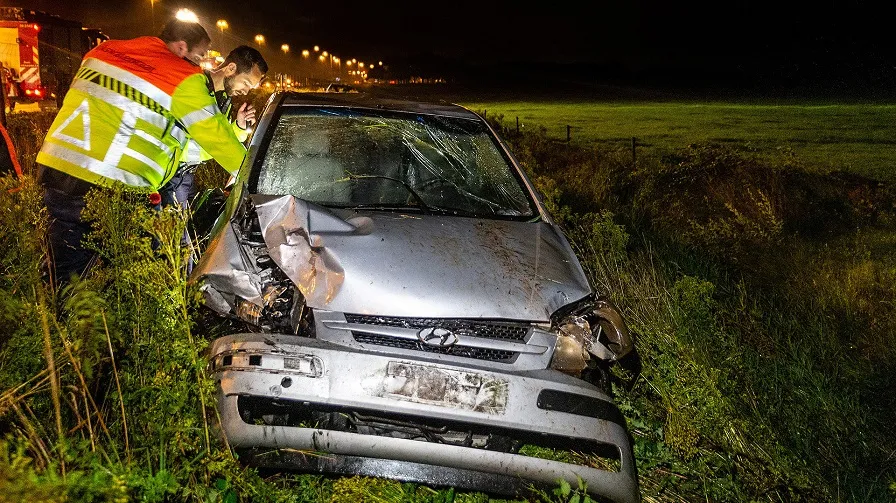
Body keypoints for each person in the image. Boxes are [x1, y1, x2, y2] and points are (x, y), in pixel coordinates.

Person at [36, 17, 248, 287]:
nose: (203, 63)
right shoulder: (182, 76)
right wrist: (257, 176)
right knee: (149, 270)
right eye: (200, 55)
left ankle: (61, 319)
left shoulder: (101, 52)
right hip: (117, 185)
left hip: (60, 171)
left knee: (64, 267)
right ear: (181, 48)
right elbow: (220, 141)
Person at [159, 45, 267, 210]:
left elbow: (220, 137)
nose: (246, 92)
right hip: (171, 175)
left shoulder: (224, 99)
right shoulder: (196, 89)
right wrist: (250, 173)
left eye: (250, 88)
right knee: (173, 232)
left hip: (187, 174)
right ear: (231, 68)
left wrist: (238, 126)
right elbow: (212, 142)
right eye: (246, 83)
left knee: (189, 229)